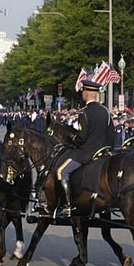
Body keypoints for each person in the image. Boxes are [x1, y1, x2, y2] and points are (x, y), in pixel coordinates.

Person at [53, 80, 113, 218]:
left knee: (62, 171)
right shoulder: (105, 111)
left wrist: (71, 137)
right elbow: (111, 135)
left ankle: (67, 205)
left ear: (86, 94)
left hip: (87, 152)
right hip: (104, 152)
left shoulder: (84, 112)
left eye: (83, 92)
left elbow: (82, 138)